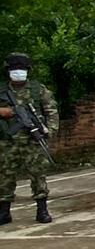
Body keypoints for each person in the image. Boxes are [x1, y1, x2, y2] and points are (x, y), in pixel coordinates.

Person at [0, 52, 59, 226]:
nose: (18, 72)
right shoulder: (2, 90)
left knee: (38, 175)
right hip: (6, 142)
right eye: (14, 69)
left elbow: (52, 112)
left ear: (28, 70)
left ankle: (42, 210)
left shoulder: (37, 89)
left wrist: (49, 131)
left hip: (32, 141)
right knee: (4, 177)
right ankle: (4, 212)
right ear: (8, 71)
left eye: (22, 69)